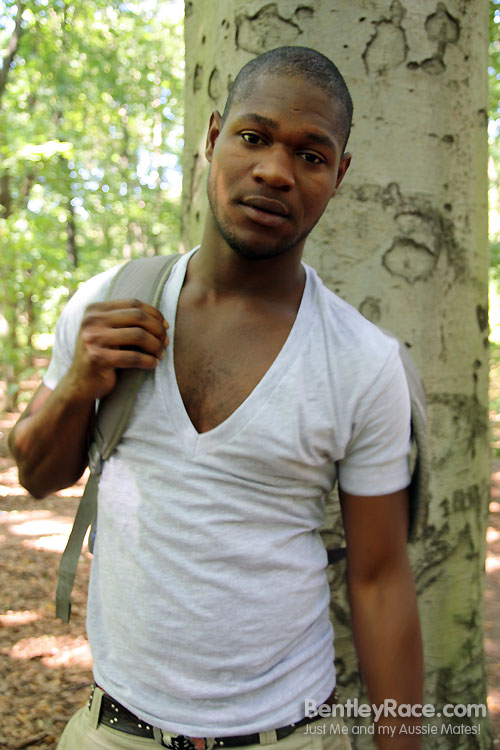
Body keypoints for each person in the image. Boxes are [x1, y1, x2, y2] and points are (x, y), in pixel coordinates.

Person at [9, 46, 423, 749]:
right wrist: (79, 382)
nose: (275, 171)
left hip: (288, 735)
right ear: (211, 137)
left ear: (339, 175)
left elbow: (380, 580)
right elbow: (36, 475)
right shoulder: (108, 303)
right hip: (115, 731)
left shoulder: (364, 362)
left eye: (311, 155)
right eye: (253, 136)